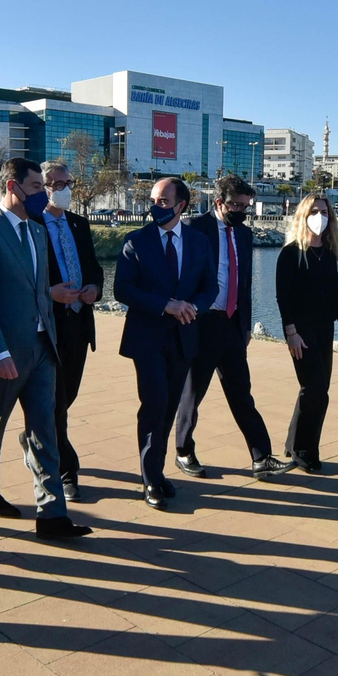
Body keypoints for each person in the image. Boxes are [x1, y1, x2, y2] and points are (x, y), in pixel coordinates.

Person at [0, 158, 91, 540]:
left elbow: (39, 293)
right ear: (12, 188)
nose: (44, 194)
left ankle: (51, 515)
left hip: (42, 349)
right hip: (5, 352)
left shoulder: (37, 232)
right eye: (37, 187)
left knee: (45, 429)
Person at [173, 175, 293, 480]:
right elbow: (180, 276)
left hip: (232, 324)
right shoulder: (192, 229)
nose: (241, 210)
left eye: (245, 206)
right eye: (236, 205)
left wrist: (245, 324)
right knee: (193, 392)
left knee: (242, 393)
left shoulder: (243, 234)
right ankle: (184, 451)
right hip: (201, 322)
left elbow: (244, 282)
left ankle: (261, 457)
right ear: (219, 203)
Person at [115, 177, 216, 508]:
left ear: (181, 206)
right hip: (147, 340)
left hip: (184, 339)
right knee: (154, 405)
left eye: (162, 201)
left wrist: (193, 307)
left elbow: (210, 287)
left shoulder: (199, 243)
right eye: (153, 200)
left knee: (170, 407)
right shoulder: (136, 241)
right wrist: (166, 305)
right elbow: (123, 290)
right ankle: (149, 481)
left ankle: (157, 472)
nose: (154, 206)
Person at [39, 160, 105, 502]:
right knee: (55, 403)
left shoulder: (79, 223)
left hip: (80, 322)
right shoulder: (32, 223)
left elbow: (93, 266)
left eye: (67, 182)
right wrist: (51, 293)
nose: (62, 189)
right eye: (55, 183)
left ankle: (37, 439)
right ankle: (66, 470)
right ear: (41, 185)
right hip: (48, 326)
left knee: (67, 396)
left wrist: (94, 287)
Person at [275, 194, 338, 472]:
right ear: (303, 216)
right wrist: (291, 332)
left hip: (323, 329)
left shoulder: (328, 254)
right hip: (300, 331)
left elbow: (335, 292)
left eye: (325, 212)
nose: (320, 217)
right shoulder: (291, 253)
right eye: (314, 211)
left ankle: (297, 443)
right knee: (315, 388)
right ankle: (303, 449)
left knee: (319, 390)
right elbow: (283, 297)